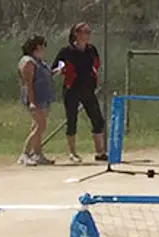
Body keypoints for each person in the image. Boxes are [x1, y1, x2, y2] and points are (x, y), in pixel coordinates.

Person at [53, 22, 106, 163]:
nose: (87, 35)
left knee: (98, 119)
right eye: (85, 32)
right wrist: (61, 69)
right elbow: (56, 67)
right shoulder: (66, 51)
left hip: (88, 88)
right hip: (72, 88)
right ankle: (72, 153)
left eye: (89, 32)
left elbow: (96, 64)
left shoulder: (91, 50)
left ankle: (100, 152)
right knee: (72, 120)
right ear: (76, 33)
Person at [18, 35, 55, 166]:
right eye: (43, 46)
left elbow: (44, 75)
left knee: (36, 126)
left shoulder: (38, 61)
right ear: (38, 46)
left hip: (43, 97)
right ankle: (25, 154)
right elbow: (29, 84)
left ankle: (38, 154)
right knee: (41, 126)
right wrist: (32, 101)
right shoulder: (28, 62)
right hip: (35, 98)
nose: (44, 49)